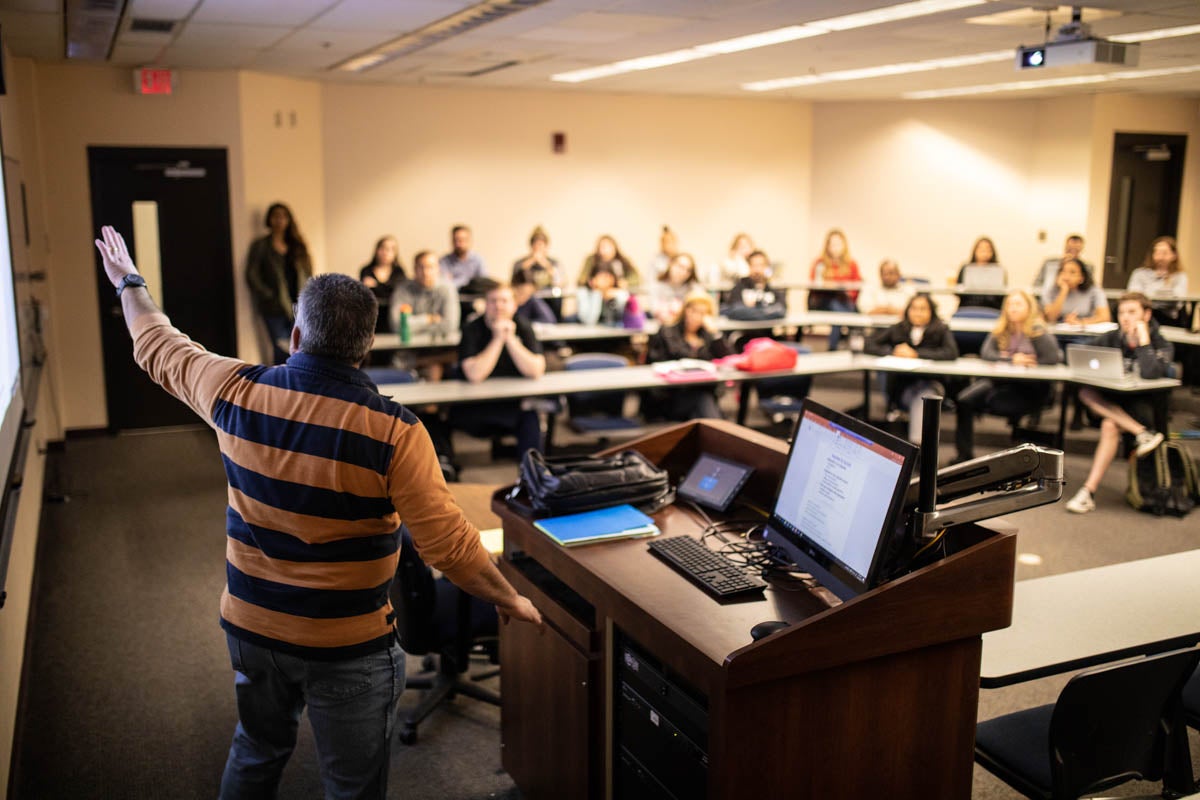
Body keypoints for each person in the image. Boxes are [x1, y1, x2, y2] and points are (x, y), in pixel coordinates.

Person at [92, 225, 542, 799]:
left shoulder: (235, 390)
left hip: (251, 628)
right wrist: (509, 598)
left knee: (255, 750)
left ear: (296, 335)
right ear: (368, 346)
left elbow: (157, 342)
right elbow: (449, 548)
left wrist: (130, 281)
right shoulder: (395, 432)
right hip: (348, 648)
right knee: (350, 786)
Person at [1065, 292, 1173, 514]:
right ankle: (1142, 434)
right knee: (1086, 393)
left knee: (1109, 425)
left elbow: (1151, 372)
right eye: (1122, 312)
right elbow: (1081, 355)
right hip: (1114, 402)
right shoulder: (1113, 337)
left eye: (1132, 312)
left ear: (1147, 314)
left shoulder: (1161, 343)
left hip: (1143, 407)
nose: (1125, 318)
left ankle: (1088, 492)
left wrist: (1143, 341)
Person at [953, 290, 1061, 463]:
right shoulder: (1001, 330)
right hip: (998, 381)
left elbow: (1053, 358)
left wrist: (1030, 362)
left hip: (1029, 386)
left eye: (1018, 304)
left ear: (1029, 308)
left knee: (997, 400)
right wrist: (1012, 359)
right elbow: (987, 353)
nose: (1013, 309)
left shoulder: (1039, 333)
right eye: (1010, 305)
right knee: (964, 399)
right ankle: (963, 455)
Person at [450, 283, 547, 458]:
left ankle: (533, 476)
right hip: (475, 405)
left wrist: (510, 339)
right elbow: (474, 375)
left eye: (504, 301)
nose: (499, 306)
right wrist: (497, 340)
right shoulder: (472, 329)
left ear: (514, 305)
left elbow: (536, 370)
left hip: (511, 404)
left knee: (531, 419)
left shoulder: (523, 326)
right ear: (485, 305)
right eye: (493, 301)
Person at [863, 293, 958, 443]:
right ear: (907, 310)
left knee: (924, 397)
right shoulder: (899, 328)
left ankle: (917, 445)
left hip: (933, 385)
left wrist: (916, 354)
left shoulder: (941, 329)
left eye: (923, 309)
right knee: (919, 399)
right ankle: (920, 449)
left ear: (931, 312)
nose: (918, 312)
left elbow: (951, 353)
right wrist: (893, 352)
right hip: (904, 388)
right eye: (914, 308)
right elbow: (869, 344)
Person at [645, 293, 731, 421]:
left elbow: (728, 359)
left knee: (701, 407)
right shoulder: (667, 332)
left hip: (702, 392)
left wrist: (715, 333)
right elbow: (654, 363)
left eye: (703, 313)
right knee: (703, 404)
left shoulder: (708, 335)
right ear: (685, 310)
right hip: (672, 395)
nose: (696, 316)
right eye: (693, 311)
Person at [245, 202, 312, 364]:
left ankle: (297, 379)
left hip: (298, 304)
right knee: (280, 348)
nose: (279, 220)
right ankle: (280, 383)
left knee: (300, 346)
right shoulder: (261, 246)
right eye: (276, 216)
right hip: (274, 306)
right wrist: (269, 295)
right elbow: (252, 275)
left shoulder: (297, 246)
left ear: (289, 220)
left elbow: (308, 272)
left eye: (283, 216)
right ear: (269, 219)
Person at [808, 229, 861, 349]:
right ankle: (837, 346)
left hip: (845, 301)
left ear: (844, 245)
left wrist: (845, 291)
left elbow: (856, 288)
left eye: (838, 244)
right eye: (832, 244)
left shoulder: (852, 264)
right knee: (838, 309)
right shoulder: (819, 263)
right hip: (824, 301)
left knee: (840, 310)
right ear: (827, 246)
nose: (835, 248)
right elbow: (813, 286)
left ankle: (834, 347)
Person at [390, 250, 460, 337]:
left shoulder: (448, 289)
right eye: (421, 267)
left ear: (438, 269)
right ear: (414, 269)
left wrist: (413, 325)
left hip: (441, 345)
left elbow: (450, 325)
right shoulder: (403, 289)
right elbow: (397, 325)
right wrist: (429, 319)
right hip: (409, 345)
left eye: (430, 267)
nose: (425, 272)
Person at [1127, 236, 1189, 327]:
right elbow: (1134, 296)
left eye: (1164, 253)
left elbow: (1177, 301)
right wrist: (1161, 294)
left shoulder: (1179, 276)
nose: (1160, 256)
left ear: (1174, 255)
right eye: (1156, 252)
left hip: (1167, 316)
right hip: (1141, 313)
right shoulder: (1139, 273)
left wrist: (1148, 296)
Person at [1041, 257, 1111, 325]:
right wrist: (1063, 291)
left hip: (1084, 332)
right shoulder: (1051, 290)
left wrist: (1080, 322)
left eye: (1072, 272)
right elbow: (1051, 318)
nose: (1066, 276)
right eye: (1063, 271)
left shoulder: (1094, 290)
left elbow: (1105, 317)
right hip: (1057, 333)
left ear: (1081, 278)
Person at [359, 235, 406, 334]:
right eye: (383, 248)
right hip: (372, 316)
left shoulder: (399, 272)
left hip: (392, 315)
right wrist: (386, 288)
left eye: (390, 249)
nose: (386, 253)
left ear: (395, 253)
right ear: (377, 250)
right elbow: (365, 294)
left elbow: (397, 293)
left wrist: (376, 286)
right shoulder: (366, 270)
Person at [722, 249, 786, 320]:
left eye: (761, 265)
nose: (757, 270)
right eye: (754, 265)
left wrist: (751, 309)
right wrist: (767, 311)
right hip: (744, 330)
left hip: (767, 330)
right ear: (749, 267)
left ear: (767, 267)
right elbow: (735, 311)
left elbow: (781, 310)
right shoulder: (739, 287)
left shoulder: (773, 289)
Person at [955, 236, 1006, 310]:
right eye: (981, 249)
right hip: (968, 306)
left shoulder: (999, 270)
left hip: (992, 307)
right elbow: (958, 290)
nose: (984, 252)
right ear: (975, 251)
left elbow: (1002, 294)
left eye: (988, 249)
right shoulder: (966, 268)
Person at [649, 252, 701, 324]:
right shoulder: (657, 286)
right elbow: (654, 310)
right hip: (662, 328)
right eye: (680, 266)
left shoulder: (693, 288)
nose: (683, 272)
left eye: (688, 270)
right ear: (671, 264)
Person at [575, 262, 630, 326]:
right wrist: (597, 294)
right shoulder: (584, 292)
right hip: (591, 334)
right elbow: (589, 321)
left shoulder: (618, 293)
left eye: (609, 276)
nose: (606, 281)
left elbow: (625, 317)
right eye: (602, 277)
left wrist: (619, 294)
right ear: (592, 280)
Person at [511, 225, 560, 290]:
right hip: (528, 297)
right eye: (535, 245)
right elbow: (514, 284)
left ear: (546, 246)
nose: (538, 247)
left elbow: (560, 283)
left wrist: (547, 266)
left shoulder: (554, 263)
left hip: (549, 297)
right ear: (531, 246)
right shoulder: (519, 263)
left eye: (541, 245)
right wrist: (526, 266)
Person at [439, 224, 487, 289]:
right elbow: (444, 284)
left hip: (473, 297)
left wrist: (455, 279)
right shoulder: (444, 261)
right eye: (456, 240)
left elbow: (483, 283)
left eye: (462, 240)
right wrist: (469, 280)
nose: (459, 244)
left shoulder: (478, 260)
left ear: (469, 241)